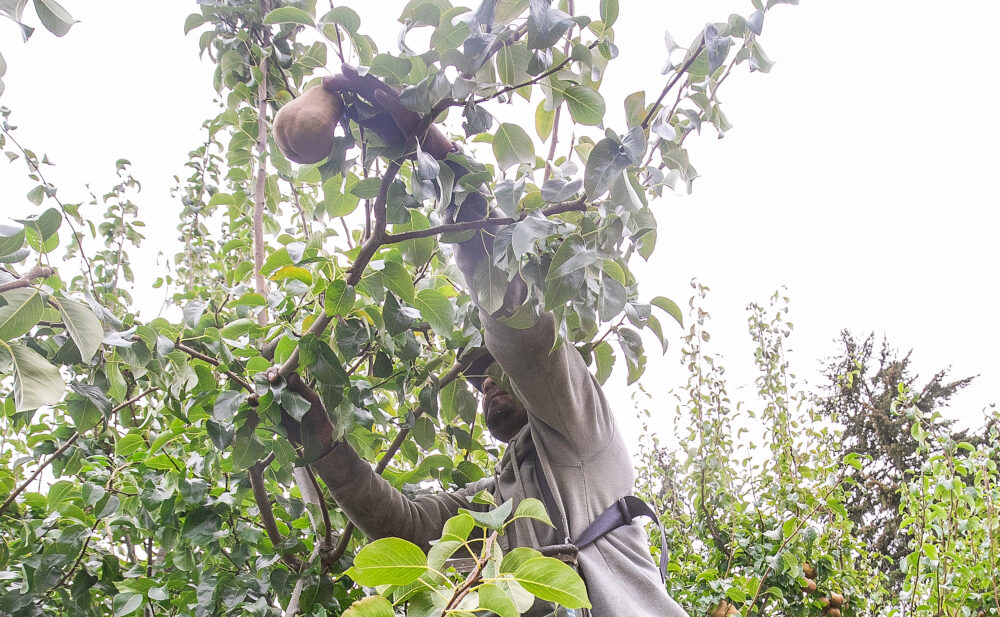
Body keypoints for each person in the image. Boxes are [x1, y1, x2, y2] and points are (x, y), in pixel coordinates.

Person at [271, 65, 688, 617]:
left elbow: (518, 324)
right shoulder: (497, 504)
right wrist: (324, 446)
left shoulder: (579, 431)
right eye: (477, 378)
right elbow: (405, 525)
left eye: (497, 370)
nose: (487, 382)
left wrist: (444, 164)